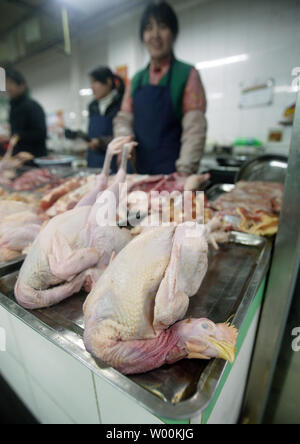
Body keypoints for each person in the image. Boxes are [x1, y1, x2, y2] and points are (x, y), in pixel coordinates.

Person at [114, 1, 207, 176]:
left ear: (173, 33)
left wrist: (184, 173)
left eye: (162, 26)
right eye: (148, 28)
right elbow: (124, 119)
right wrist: (125, 143)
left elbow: (194, 128)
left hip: (174, 173)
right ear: (143, 36)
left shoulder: (187, 74)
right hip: (139, 173)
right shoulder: (136, 80)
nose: (155, 35)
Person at [86, 66, 125, 171]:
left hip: (115, 161)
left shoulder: (122, 103)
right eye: (91, 83)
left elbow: (126, 136)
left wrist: (101, 142)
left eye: (95, 82)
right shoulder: (92, 106)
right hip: (94, 161)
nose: (92, 87)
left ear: (108, 82)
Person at [3, 68, 47, 158]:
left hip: (34, 158)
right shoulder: (13, 107)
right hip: (18, 158)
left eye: (11, 83)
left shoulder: (32, 106)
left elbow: (41, 133)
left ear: (22, 85)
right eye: (6, 83)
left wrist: (17, 136)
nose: (7, 87)